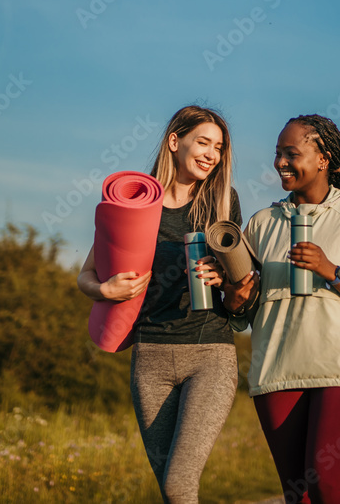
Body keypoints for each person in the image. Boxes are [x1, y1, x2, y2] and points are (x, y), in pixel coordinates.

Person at [220, 114, 340, 504]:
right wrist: (235, 302)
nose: (281, 163)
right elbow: (243, 310)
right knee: (297, 493)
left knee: (325, 483)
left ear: (323, 159)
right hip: (278, 367)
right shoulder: (262, 223)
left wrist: (331, 271)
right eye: (278, 154)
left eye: (292, 153)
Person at [76, 105, 244, 504]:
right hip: (150, 357)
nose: (211, 154)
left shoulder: (221, 201)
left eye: (218, 147)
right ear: (174, 141)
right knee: (170, 490)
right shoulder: (135, 201)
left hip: (209, 353)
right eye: (203, 142)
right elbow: (86, 275)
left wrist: (223, 275)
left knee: (178, 484)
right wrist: (107, 291)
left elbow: (241, 274)